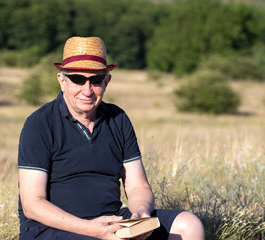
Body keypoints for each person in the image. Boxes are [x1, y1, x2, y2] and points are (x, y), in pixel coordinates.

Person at [18, 36, 205, 240]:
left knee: (189, 225)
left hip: (111, 222)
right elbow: (32, 205)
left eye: (96, 80)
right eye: (78, 79)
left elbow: (137, 186)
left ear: (107, 81)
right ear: (62, 81)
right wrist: (92, 229)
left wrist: (141, 214)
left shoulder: (118, 119)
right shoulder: (39, 123)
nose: (87, 90)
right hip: (55, 229)